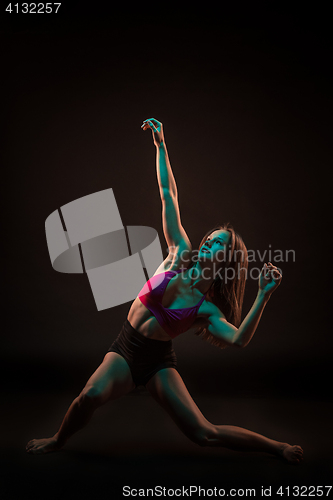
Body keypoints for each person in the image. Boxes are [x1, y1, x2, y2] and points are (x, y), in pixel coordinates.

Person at [26, 118, 303, 464]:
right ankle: (57, 439)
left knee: (205, 433)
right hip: (126, 348)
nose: (207, 242)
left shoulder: (206, 310)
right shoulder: (179, 255)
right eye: (210, 238)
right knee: (88, 397)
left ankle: (277, 447)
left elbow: (238, 340)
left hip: (158, 362)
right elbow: (168, 193)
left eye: (218, 243)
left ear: (226, 259)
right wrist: (161, 145)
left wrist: (264, 294)